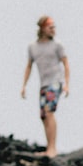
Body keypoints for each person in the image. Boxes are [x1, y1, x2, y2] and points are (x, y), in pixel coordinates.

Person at [20, 15, 70, 157]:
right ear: (42, 28)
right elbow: (29, 66)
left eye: (54, 27)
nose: (53, 30)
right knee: (43, 116)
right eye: (50, 27)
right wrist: (24, 86)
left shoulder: (57, 45)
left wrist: (66, 84)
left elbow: (66, 64)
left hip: (55, 81)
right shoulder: (32, 47)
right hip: (44, 84)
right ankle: (49, 147)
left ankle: (52, 149)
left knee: (49, 112)